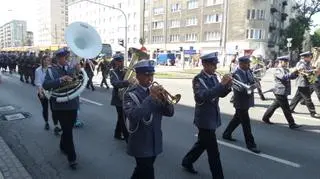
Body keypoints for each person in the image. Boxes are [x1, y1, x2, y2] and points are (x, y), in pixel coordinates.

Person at [181, 53, 232, 179]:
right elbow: (203, 96)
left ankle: (187, 161)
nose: (215, 67)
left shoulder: (214, 77)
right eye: (212, 64)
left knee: (202, 144)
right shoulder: (198, 79)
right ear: (204, 64)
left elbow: (220, 94)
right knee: (213, 152)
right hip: (204, 119)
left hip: (213, 116)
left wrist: (228, 86)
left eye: (215, 64)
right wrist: (221, 85)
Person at [123, 59, 174, 179]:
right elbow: (133, 115)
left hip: (154, 140)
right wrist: (151, 97)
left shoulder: (156, 92)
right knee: (147, 171)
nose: (150, 78)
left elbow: (170, 113)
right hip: (140, 141)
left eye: (151, 74)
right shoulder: (130, 94)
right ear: (138, 75)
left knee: (142, 171)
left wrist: (166, 101)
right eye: (147, 75)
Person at [42, 48, 80, 169]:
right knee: (68, 131)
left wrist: (79, 72)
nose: (67, 59)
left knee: (68, 129)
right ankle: (72, 158)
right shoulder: (51, 71)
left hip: (73, 103)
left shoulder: (72, 68)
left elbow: (80, 81)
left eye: (67, 56)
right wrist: (60, 79)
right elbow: (45, 85)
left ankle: (63, 146)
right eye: (64, 57)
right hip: (59, 105)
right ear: (58, 58)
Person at [223, 56, 261, 154]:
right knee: (246, 123)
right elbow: (242, 88)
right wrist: (252, 86)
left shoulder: (248, 71)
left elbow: (251, 81)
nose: (249, 65)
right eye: (247, 64)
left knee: (237, 118)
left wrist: (255, 83)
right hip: (240, 101)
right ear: (241, 64)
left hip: (247, 99)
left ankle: (226, 134)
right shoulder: (236, 73)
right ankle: (251, 144)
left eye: (249, 63)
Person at [262, 56, 301, 129]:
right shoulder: (278, 70)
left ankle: (265, 117)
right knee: (286, 109)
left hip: (283, 91)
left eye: (287, 62)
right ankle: (291, 123)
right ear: (280, 62)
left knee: (274, 105)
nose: (286, 63)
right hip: (279, 91)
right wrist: (294, 71)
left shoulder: (285, 69)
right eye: (285, 62)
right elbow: (284, 77)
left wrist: (296, 73)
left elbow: (291, 77)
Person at [35, 55, 62, 134]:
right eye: (45, 60)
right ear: (42, 61)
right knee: (45, 108)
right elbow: (38, 83)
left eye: (48, 60)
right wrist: (41, 93)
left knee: (54, 109)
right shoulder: (38, 70)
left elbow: (55, 79)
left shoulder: (51, 69)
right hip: (42, 91)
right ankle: (46, 122)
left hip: (51, 92)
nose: (47, 62)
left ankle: (56, 126)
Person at [289, 51, 320, 118]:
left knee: (297, 97)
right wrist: (312, 71)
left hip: (306, 82)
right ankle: (313, 112)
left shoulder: (308, 63)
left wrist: (314, 70)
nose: (311, 58)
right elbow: (302, 71)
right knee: (307, 98)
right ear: (305, 57)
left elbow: (310, 69)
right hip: (302, 83)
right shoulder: (301, 63)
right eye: (309, 57)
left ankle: (290, 109)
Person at [109, 54, 131, 141]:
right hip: (118, 98)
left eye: (122, 61)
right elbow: (115, 83)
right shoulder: (113, 72)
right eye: (119, 61)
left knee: (121, 117)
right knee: (123, 119)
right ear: (115, 62)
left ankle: (117, 133)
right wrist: (127, 82)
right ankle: (127, 139)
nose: (121, 63)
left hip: (126, 97)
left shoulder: (126, 71)